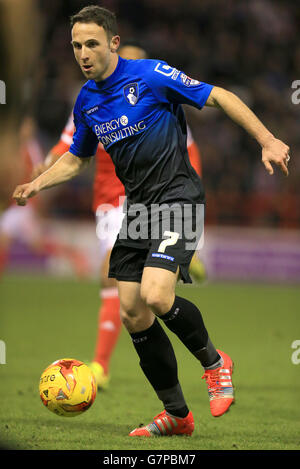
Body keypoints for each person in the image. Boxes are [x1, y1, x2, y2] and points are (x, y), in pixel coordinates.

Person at [13, 6, 290, 437]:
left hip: (178, 197)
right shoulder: (87, 100)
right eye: (76, 45)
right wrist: (37, 183)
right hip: (137, 208)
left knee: (157, 296)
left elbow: (220, 96)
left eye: (91, 44)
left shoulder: (151, 75)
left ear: (113, 44)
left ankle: (216, 364)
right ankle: (177, 415)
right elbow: (78, 158)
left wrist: (268, 139)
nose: (83, 53)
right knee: (132, 312)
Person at [35, 41, 206, 390]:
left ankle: (101, 364)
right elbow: (69, 144)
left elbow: (189, 151)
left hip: (145, 198)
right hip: (108, 202)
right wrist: (46, 166)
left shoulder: (160, 97)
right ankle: (183, 260)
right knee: (122, 288)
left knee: (115, 276)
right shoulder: (92, 99)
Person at [0, 116, 89, 279]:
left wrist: (36, 201)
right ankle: (74, 257)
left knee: (35, 243)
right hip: (18, 206)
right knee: (17, 240)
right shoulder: (23, 148)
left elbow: (39, 172)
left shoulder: (31, 148)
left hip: (25, 205)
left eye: (27, 126)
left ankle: (75, 256)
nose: (25, 130)